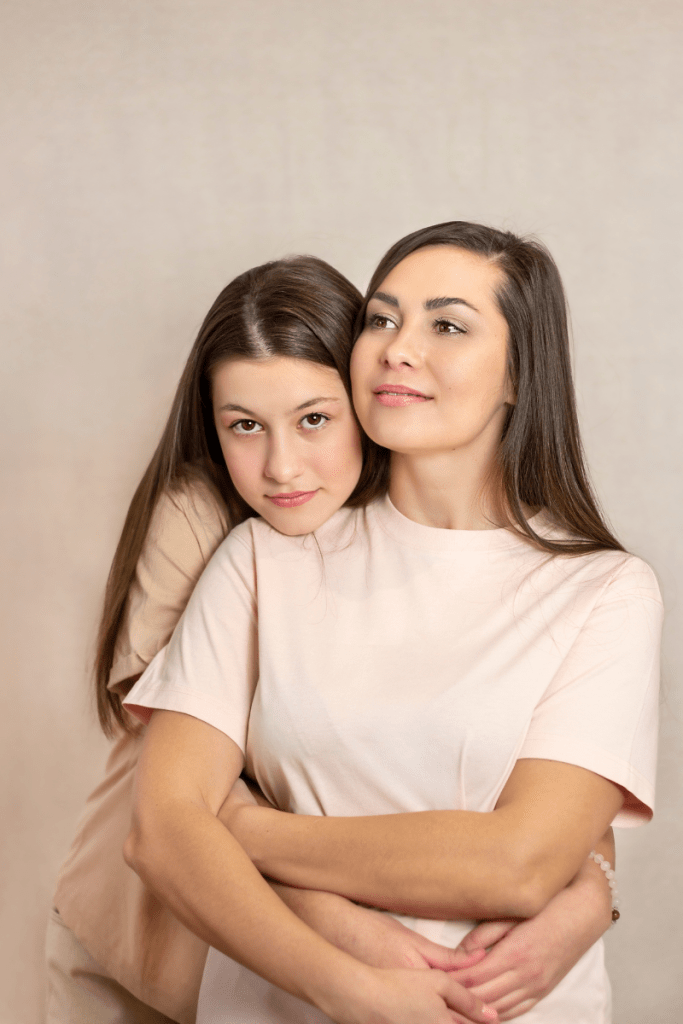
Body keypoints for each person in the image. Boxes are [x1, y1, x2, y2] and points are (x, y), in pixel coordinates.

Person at [122, 222, 662, 1023]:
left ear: (519, 372)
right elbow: (159, 835)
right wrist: (352, 989)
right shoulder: (264, 559)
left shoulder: (604, 590)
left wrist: (244, 829)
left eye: (445, 325)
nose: (397, 348)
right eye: (381, 319)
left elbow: (517, 866)